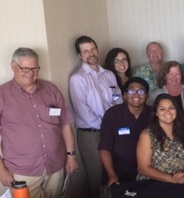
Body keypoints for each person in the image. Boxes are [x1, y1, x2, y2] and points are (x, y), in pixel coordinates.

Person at [0, 47, 78, 197]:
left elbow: (65, 124)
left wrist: (71, 155)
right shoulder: (2, 95)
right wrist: (1, 171)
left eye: (35, 68)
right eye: (25, 68)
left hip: (55, 167)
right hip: (22, 173)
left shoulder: (51, 90)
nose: (31, 73)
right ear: (13, 67)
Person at [69, 35, 122, 197]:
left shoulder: (109, 75)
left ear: (97, 50)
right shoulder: (77, 79)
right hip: (91, 134)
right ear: (80, 56)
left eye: (92, 49)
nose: (90, 53)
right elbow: (83, 112)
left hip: (112, 130)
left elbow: (117, 99)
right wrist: (110, 125)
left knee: (114, 172)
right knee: (97, 178)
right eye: (85, 51)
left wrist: (115, 123)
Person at [99, 77, 152, 186]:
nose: (136, 95)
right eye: (131, 91)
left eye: (141, 91)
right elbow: (104, 147)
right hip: (118, 173)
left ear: (147, 95)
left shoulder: (153, 114)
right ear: (125, 95)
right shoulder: (112, 114)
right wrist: (111, 174)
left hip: (148, 172)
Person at [136, 94, 184, 183]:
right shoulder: (147, 135)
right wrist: (172, 179)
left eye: (171, 108)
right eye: (162, 109)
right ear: (156, 113)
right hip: (151, 183)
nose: (168, 112)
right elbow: (144, 168)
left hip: (180, 181)